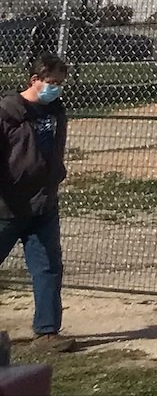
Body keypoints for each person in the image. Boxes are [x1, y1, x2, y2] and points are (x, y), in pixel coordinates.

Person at [0, 52, 70, 352]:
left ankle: (47, 332)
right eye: (51, 82)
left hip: (43, 204)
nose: (55, 88)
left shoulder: (55, 112)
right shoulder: (8, 112)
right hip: (8, 206)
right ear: (34, 80)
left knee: (48, 268)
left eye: (60, 83)